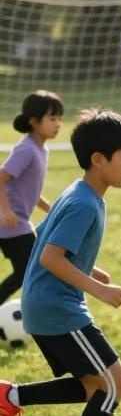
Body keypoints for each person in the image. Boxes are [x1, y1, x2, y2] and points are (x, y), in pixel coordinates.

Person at [0, 110, 121, 416]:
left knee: (93, 385)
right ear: (99, 159)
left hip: (46, 305)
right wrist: (99, 289)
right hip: (58, 308)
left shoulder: (78, 192)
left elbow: (44, 238)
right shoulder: (83, 203)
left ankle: (10, 397)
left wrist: (90, 270)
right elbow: (49, 256)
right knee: (114, 383)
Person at [0, 91, 62, 303]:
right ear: (34, 122)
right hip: (10, 223)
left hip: (17, 223)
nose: (58, 123)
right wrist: (6, 211)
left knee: (27, 271)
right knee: (31, 270)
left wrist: (51, 209)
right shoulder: (26, 149)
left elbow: (29, 189)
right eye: (52, 118)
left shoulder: (41, 149)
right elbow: (1, 178)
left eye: (59, 118)